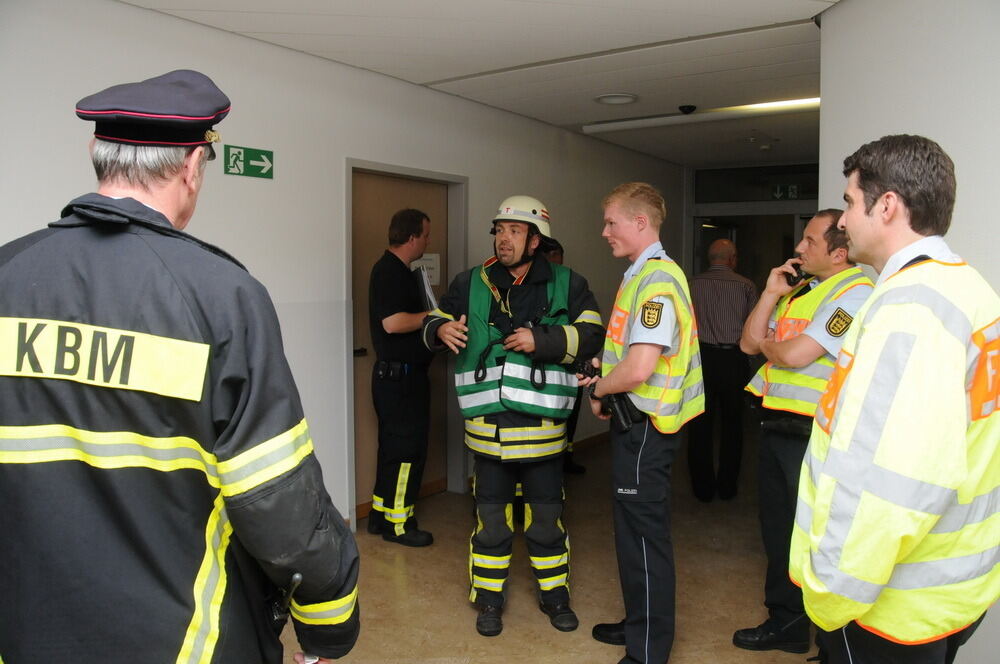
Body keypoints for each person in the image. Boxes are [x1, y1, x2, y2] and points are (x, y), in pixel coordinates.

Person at [0, 70, 359, 664]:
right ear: (193, 165)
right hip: (185, 641)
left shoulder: (7, 275)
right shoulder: (222, 296)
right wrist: (329, 627)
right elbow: (279, 502)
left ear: (97, 153)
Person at [790, 134, 999, 663]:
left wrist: (830, 595)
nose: (842, 220)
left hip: (886, 605)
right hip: (951, 589)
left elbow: (887, 483)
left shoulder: (910, 309)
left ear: (887, 206)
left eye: (850, 202)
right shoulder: (967, 288)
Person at [422, 195, 603, 637]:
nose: (504, 239)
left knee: (546, 520)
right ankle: (489, 599)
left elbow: (594, 333)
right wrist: (439, 328)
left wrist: (543, 341)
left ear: (535, 240)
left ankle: (554, 594)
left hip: (543, 431)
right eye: (500, 230)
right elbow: (435, 318)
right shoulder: (470, 282)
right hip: (488, 431)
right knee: (491, 521)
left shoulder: (568, 283)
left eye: (515, 231)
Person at [733, 210, 873, 653]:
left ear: (839, 251)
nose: (798, 248)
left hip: (814, 432)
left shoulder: (855, 293)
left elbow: (793, 354)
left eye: (809, 241)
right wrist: (772, 293)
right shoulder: (805, 292)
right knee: (778, 532)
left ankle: (825, 634)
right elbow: (746, 344)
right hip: (778, 425)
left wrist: (772, 350)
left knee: (813, 538)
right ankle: (788, 623)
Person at [586, 182, 704, 664]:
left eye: (612, 222)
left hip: (647, 430)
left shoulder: (656, 281)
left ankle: (648, 651)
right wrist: (603, 376)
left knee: (643, 540)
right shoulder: (640, 276)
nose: (604, 232)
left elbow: (638, 369)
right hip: (633, 424)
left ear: (641, 223)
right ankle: (639, 622)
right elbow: (624, 353)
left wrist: (599, 387)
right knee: (629, 534)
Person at [366, 208, 435, 547]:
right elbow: (392, 323)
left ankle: (380, 516)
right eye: (425, 235)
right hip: (401, 382)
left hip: (397, 380)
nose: (427, 241)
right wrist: (432, 317)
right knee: (407, 452)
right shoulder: (389, 272)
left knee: (393, 450)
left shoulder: (398, 271)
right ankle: (399, 525)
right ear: (411, 238)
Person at [687, 238, 758, 501]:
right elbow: (755, 329)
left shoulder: (692, 284)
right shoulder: (746, 286)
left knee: (699, 424)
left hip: (701, 358)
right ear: (732, 258)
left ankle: (702, 489)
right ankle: (727, 487)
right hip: (733, 358)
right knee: (732, 426)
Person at [544, 237, 587, 475]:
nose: (553, 261)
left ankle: (567, 457)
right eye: (548, 256)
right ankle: (555, 459)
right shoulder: (539, 287)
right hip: (549, 367)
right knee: (555, 415)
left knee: (572, 413)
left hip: (573, 363)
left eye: (556, 256)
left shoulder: (572, 285)